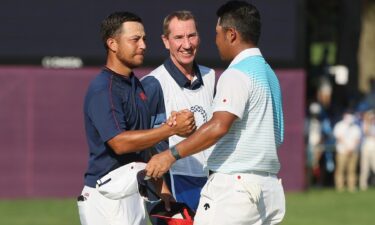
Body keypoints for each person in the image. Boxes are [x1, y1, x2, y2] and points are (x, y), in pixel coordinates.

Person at [145, 1, 286, 224]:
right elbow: (278, 135)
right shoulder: (269, 74)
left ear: (231, 35)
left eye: (217, 33)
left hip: (236, 188)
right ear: (166, 41)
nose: (215, 39)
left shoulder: (234, 74)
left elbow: (219, 126)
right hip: (268, 189)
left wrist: (171, 154)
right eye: (179, 37)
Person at [77, 11, 196, 225]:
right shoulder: (103, 89)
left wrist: (164, 193)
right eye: (135, 39)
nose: (143, 45)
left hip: (132, 196)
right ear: (112, 43)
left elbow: (145, 148)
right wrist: (171, 129)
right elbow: (120, 143)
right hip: (106, 200)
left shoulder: (136, 85)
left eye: (144, 39)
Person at [141, 10, 216, 212]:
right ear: (166, 41)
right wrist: (162, 189)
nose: (187, 44)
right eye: (178, 37)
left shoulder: (212, 77)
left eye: (191, 36)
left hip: (212, 184)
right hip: (171, 186)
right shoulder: (152, 84)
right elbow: (140, 144)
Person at [333, 110, 362, 192]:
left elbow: (358, 139)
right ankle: (340, 187)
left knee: (352, 170)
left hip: (353, 151)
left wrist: (351, 148)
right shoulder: (339, 125)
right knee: (340, 169)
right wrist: (347, 147)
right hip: (342, 151)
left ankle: (351, 186)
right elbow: (339, 137)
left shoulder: (355, 127)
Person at [359, 110, 375, 191]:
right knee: (365, 167)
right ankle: (363, 185)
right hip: (366, 147)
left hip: (374, 148)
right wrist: (368, 121)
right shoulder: (365, 124)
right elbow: (366, 132)